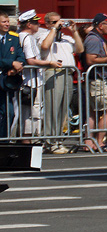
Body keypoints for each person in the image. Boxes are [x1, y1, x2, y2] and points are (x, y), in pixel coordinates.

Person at [37, 12, 83, 153]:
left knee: (63, 109)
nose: (58, 24)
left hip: (68, 73)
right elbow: (45, 46)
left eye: (59, 21)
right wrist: (53, 29)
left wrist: (74, 32)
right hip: (54, 73)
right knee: (53, 108)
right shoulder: (43, 35)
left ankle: (57, 140)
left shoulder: (66, 38)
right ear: (48, 24)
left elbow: (80, 49)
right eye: (54, 21)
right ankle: (50, 141)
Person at [83, 13, 107, 152]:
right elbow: (90, 60)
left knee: (93, 112)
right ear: (100, 25)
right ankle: (99, 142)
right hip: (96, 79)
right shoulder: (93, 39)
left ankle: (89, 141)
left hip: (98, 79)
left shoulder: (99, 38)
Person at [18, 11, 44, 141]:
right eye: (35, 22)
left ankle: (27, 141)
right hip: (31, 82)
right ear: (29, 24)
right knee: (31, 114)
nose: (38, 24)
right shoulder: (28, 38)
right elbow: (31, 60)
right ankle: (27, 142)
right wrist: (49, 63)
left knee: (26, 114)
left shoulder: (19, 36)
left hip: (27, 81)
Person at [0, 13, 24, 139]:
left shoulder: (13, 38)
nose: (7, 24)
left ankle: (3, 141)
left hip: (6, 82)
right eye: (4, 22)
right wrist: (11, 63)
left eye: (8, 21)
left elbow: (20, 55)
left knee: (9, 113)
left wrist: (18, 66)